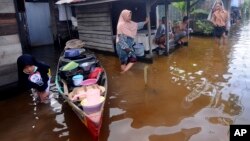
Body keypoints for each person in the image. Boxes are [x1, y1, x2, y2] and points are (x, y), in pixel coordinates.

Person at [116, 9, 149, 73]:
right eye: (128, 15)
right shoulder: (121, 25)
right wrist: (129, 50)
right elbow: (121, 40)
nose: (130, 17)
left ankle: (124, 73)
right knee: (127, 60)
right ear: (124, 16)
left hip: (128, 46)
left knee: (127, 60)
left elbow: (137, 25)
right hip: (122, 47)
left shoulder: (131, 23)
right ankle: (123, 73)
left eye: (130, 15)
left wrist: (146, 21)